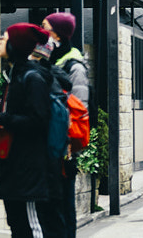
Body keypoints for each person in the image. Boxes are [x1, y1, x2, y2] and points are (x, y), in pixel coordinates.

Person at [0, 23, 64, 238]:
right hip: (16, 167)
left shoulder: (32, 77)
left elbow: (39, 121)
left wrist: (0, 118)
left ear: (17, 45)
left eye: (4, 38)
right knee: (18, 226)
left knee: (31, 228)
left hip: (29, 169)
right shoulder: (17, 75)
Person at [42, 12, 88, 238]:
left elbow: (79, 107)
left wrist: (69, 142)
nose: (42, 32)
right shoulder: (50, 60)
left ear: (57, 34)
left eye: (45, 27)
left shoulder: (74, 65)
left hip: (64, 145)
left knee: (63, 208)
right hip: (52, 141)